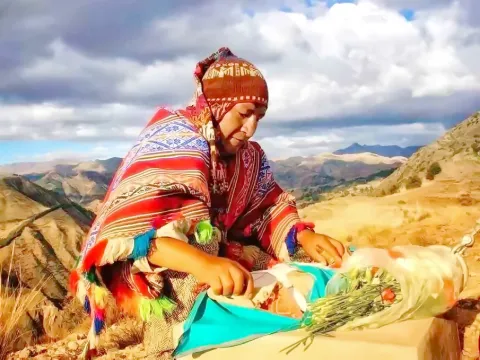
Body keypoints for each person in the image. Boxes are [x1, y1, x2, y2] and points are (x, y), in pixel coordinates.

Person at [70, 47, 345, 359]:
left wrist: (303, 235)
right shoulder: (176, 140)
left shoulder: (249, 156)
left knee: (296, 280)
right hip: (178, 280)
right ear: (217, 104)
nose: (251, 128)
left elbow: (268, 207)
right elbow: (135, 235)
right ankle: (179, 343)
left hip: (224, 264)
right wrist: (205, 264)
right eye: (244, 114)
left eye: (259, 117)